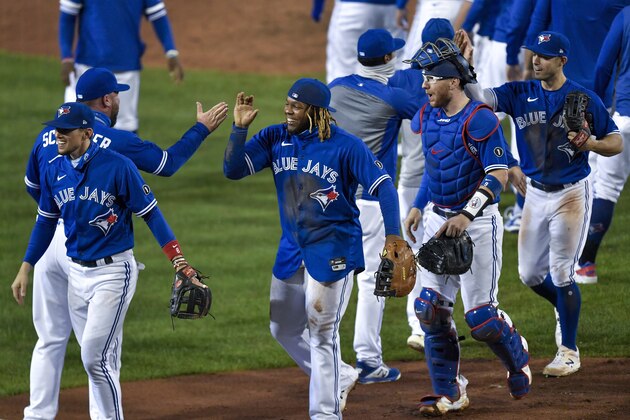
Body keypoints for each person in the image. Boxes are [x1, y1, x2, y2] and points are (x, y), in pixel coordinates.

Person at [20, 67, 227, 420]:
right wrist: (202, 128)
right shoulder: (116, 143)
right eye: (116, 94)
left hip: (53, 238)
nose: (118, 100)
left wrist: (66, 208)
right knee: (100, 354)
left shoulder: (49, 135)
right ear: (106, 100)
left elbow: (35, 189)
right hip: (87, 243)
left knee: (51, 338)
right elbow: (168, 163)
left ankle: (37, 415)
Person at [223, 78, 405, 418]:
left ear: (317, 113)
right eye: (287, 103)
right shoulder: (275, 138)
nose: (288, 110)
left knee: (322, 334)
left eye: (297, 106)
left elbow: (384, 188)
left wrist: (393, 235)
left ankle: (325, 413)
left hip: (333, 247)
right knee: (283, 329)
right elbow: (232, 170)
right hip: (292, 248)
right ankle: (343, 375)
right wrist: (238, 129)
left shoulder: (347, 146)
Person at [462, 30, 622, 376]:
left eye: (545, 56)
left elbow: (616, 142)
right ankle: (564, 307)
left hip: (571, 194)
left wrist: (590, 143)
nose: (536, 60)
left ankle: (569, 350)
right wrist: (467, 67)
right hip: (533, 194)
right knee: (530, 274)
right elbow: (479, 101)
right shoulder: (520, 92)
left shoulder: (582, 97)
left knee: (563, 271)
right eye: (534, 53)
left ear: (562, 61)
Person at [403, 38, 531, 416]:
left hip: (476, 224)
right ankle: (450, 392)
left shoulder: (480, 119)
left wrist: (466, 215)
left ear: (453, 82)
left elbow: (497, 176)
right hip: (436, 219)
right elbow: (437, 165)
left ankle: (517, 356)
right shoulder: (426, 116)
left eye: (431, 79)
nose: (424, 85)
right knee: (429, 309)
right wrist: (416, 206)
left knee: (481, 318)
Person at [329, 28, 417, 383]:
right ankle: (367, 360)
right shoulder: (393, 98)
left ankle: (327, 359)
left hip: (331, 199)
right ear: (386, 59)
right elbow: (435, 106)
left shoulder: (334, 86)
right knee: (370, 281)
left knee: (330, 276)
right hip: (370, 201)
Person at [388, 17, 455, 353]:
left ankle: (418, 326)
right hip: (447, 182)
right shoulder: (456, 80)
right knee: (456, 257)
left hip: (409, 182)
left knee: (413, 256)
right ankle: (456, 318)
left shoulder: (402, 77)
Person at [59, 0, 184, 132]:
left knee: (124, 130)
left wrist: (171, 52)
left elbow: (158, 16)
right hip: (85, 67)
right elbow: (68, 16)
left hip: (125, 69)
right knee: (72, 125)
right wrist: (66, 58)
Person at [576, 6, 630, 284]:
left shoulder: (627, 16)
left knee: (607, 188)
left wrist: (595, 106)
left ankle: (585, 265)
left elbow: (604, 65)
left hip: (626, 115)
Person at [311, 0, 405, 83]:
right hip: (392, 8)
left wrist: (317, 7)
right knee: (396, 63)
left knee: (344, 67)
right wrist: (401, 5)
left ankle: (340, 102)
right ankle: (399, 101)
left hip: (353, 8)